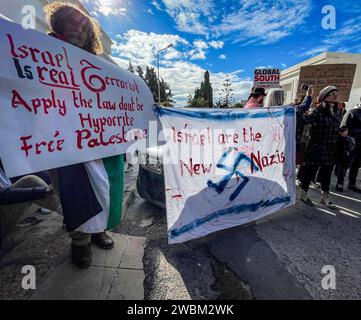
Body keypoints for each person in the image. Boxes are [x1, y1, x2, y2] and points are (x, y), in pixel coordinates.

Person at [44, 2, 124, 269]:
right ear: (58, 25)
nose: (80, 27)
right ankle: (80, 240)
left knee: (104, 185)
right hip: (64, 138)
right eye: (72, 21)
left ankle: (99, 229)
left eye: (84, 24)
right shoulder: (41, 52)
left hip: (98, 137)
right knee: (75, 189)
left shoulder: (96, 63)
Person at [299, 86, 343, 208]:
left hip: (330, 150)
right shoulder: (318, 110)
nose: (336, 95)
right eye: (332, 93)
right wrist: (304, 104)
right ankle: (303, 194)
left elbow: (334, 128)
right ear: (325, 96)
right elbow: (303, 120)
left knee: (327, 174)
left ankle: (325, 198)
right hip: (316, 149)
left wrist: (341, 132)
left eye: (336, 93)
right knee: (309, 173)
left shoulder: (337, 111)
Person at [0, 161, 59, 246]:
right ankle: (71, 217)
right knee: (31, 181)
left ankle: (70, 214)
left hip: (9, 207)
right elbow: (3, 196)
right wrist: (43, 191)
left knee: (51, 173)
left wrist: (56, 179)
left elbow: (22, 171)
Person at [340, 101, 361, 193]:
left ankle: (352, 184)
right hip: (351, 144)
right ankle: (340, 183)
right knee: (345, 164)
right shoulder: (353, 112)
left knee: (356, 165)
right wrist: (348, 141)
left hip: (360, 145)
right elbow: (343, 127)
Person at [334, 126, 356, 191]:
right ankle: (339, 182)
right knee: (340, 165)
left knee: (345, 166)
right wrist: (343, 131)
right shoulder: (351, 115)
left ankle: (340, 183)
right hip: (342, 140)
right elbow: (343, 125)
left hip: (352, 144)